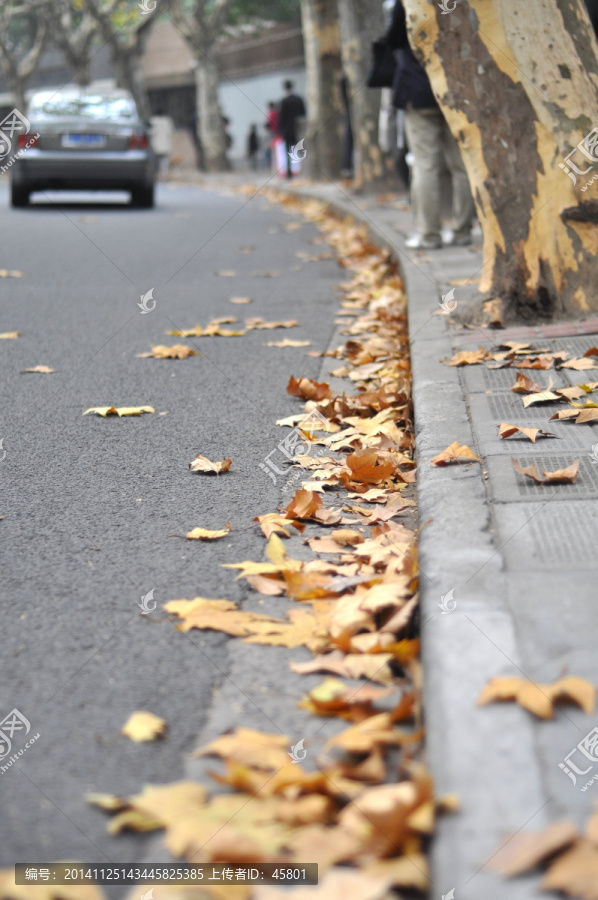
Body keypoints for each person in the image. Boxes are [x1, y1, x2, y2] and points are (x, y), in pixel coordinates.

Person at [386, 0, 475, 249]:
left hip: (418, 89)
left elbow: (393, 38)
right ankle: (463, 231)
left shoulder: (407, 3)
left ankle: (429, 234)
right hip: (456, 86)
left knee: (425, 164)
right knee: (462, 164)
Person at [278, 80, 306, 179]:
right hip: (298, 129)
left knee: (288, 152)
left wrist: (281, 130)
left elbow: (281, 118)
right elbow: (303, 114)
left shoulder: (283, 101)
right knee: (301, 150)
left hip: (287, 131)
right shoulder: (299, 99)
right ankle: (304, 170)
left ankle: (289, 172)